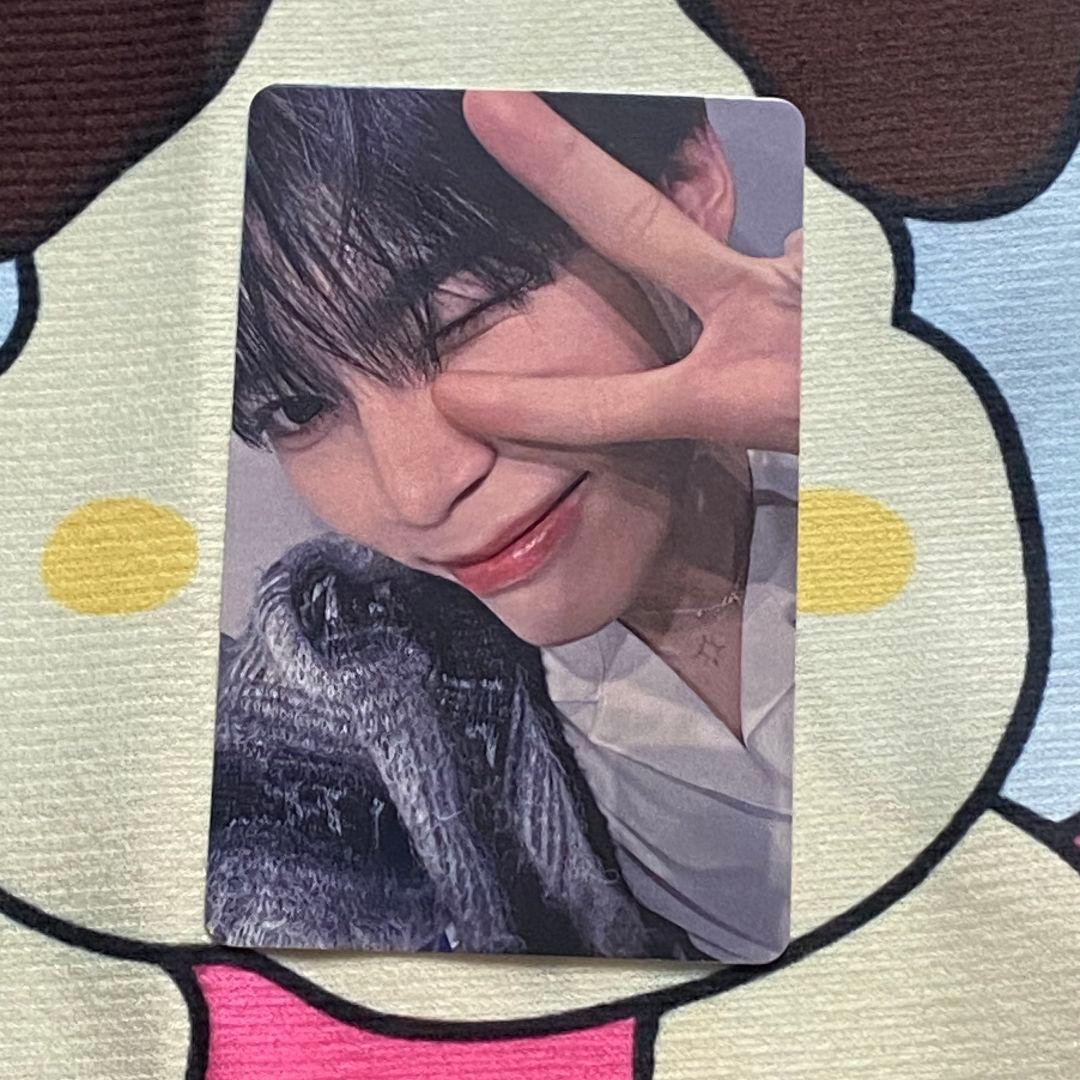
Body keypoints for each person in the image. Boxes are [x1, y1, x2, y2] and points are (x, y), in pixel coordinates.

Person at [206, 86, 800, 962]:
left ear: (681, 182)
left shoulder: (928, 452)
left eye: (463, 313)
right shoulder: (356, 659)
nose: (417, 492)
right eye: (298, 409)